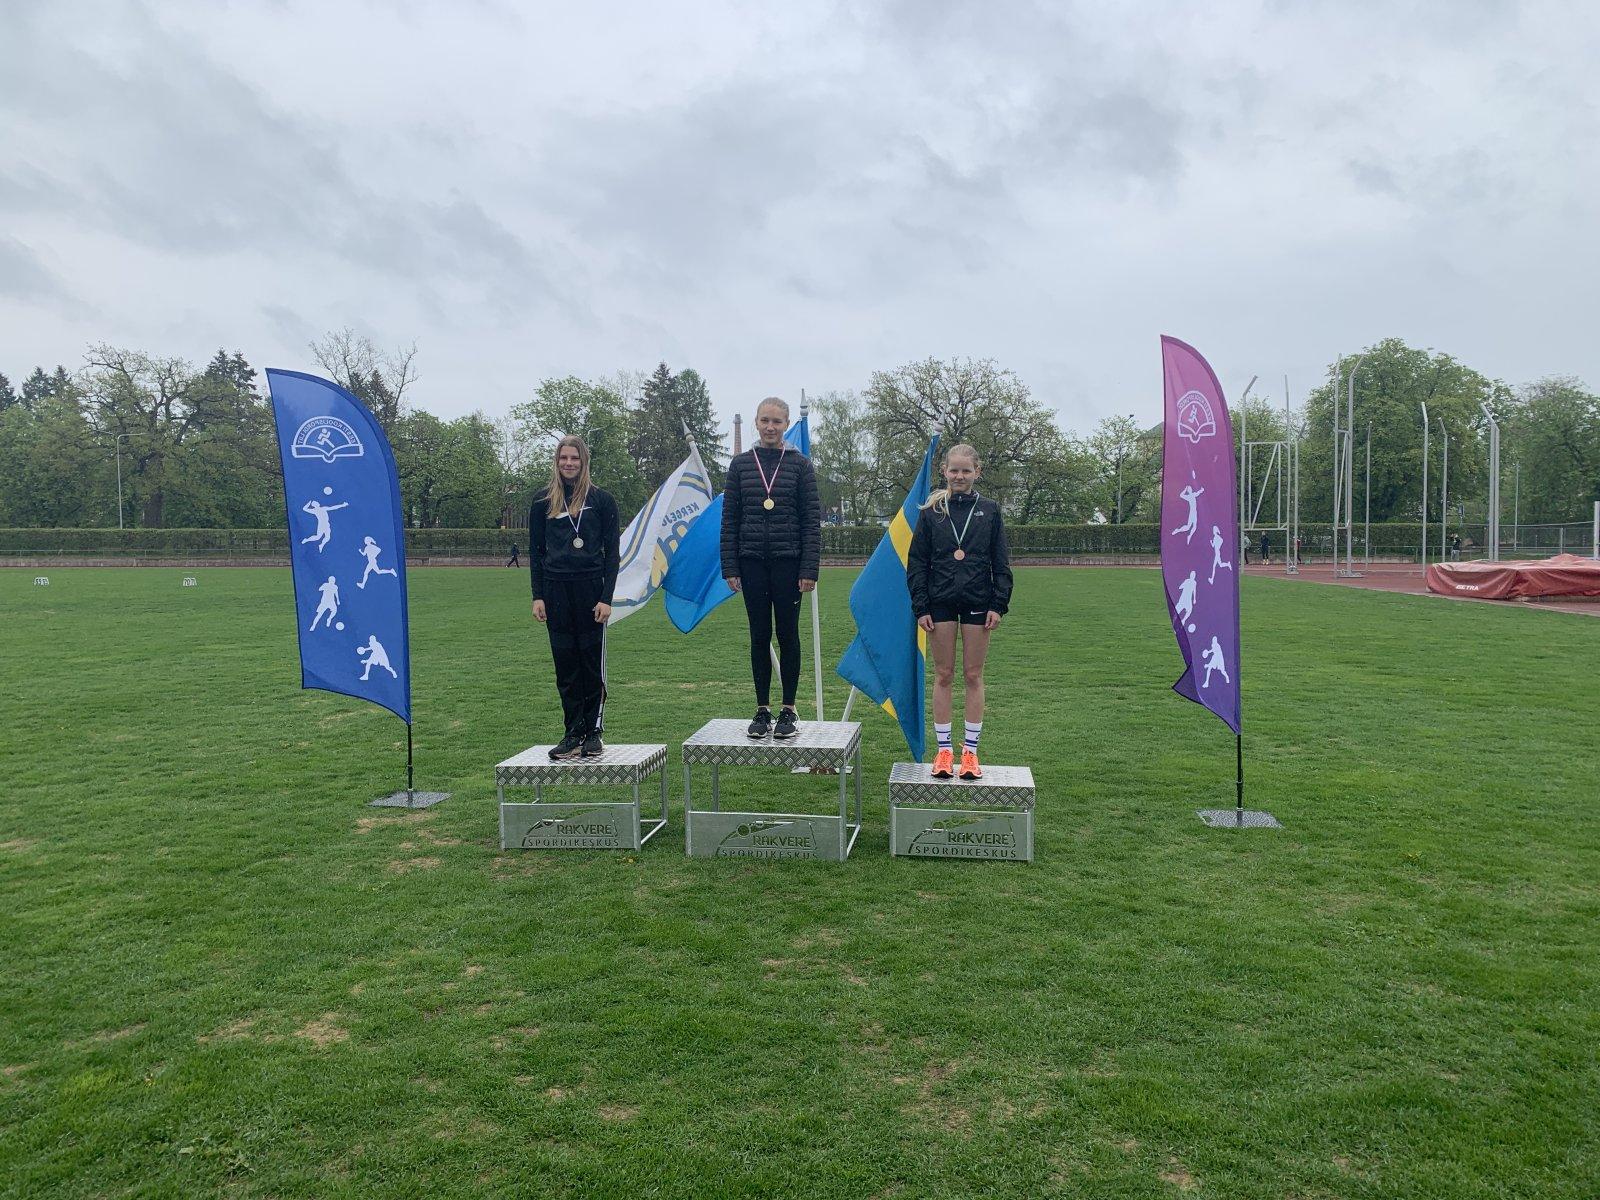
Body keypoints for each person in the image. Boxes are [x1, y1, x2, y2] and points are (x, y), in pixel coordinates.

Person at [906, 443, 1013, 780]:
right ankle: (943, 752)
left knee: (972, 675)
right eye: (954, 470)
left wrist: (998, 604)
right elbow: (917, 562)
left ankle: (970, 753)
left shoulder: (990, 510)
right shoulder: (931, 511)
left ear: (977, 472)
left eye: (966, 471)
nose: (960, 476)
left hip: (978, 601)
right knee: (943, 674)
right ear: (944, 471)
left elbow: (1001, 561)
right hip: (939, 602)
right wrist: (921, 606)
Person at [721, 396, 821, 740]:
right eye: (765, 420)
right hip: (751, 562)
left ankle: (788, 710)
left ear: (786, 424)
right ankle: (762, 709)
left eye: (777, 421)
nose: (770, 427)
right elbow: (729, 520)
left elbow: (811, 521)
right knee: (759, 636)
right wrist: (730, 566)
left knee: (788, 634)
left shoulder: (800, 465)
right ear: (756, 422)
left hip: (788, 563)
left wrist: (809, 569)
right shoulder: (740, 466)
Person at [530, 435, 621, 760]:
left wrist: (606, 597)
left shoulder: (602, 500)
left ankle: (593, 731)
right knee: (566, 667)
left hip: (590, 591)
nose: (568, 464)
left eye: (574, 458)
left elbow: (612, 554)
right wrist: (538, 596)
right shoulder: (542, 501)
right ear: (557, 462)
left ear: (584, 462)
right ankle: (572, 732)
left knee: (590, 665)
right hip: (556, 591)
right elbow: (536, 552)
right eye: (563, 458)